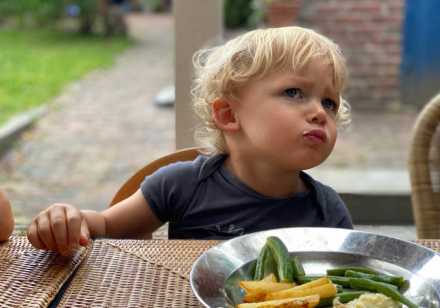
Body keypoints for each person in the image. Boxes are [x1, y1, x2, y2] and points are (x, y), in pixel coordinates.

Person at [27, 26, 353, 256]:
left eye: (329, 102)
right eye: (294, 92)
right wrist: (68, 220)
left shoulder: (328, 211)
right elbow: (105, 226)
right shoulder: (183, 185)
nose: (319, 113)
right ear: (228, 115)